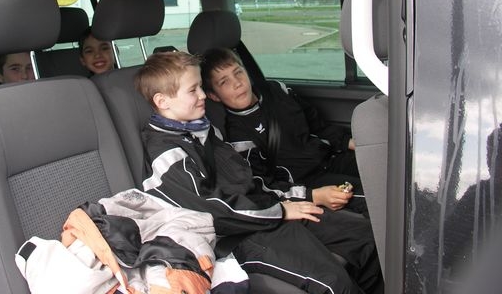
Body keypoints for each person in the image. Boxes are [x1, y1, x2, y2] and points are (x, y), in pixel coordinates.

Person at [135, 51, 382, 294]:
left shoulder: (203, 131)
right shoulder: (166, 154)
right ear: (162, 101)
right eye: (193, 90)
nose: (202, 95)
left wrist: (296, 199)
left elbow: (251, 181)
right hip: (235, 235)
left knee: (367, 238)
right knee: (333, 283)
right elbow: (214, 211)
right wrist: (280, 211)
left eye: (200, 87)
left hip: (263, 213)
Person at [201, 47, 367, 215]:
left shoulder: (276, 90)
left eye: (238, 72)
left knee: (377, 164)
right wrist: (313, 195)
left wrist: (349, 142)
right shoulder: (235, 135)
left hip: (330, 158)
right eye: (224, 82)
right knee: (372, 193)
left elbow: (317, 126)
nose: (237, 83)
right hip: (306, 182)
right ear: (214, 96)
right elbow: (262, 184)